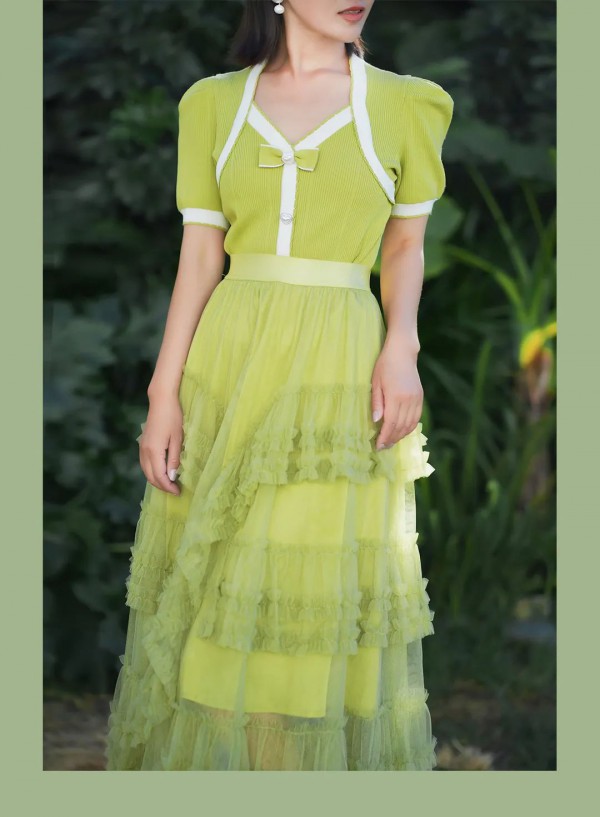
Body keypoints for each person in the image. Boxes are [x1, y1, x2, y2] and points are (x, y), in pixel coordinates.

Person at [105, 0, 453, 771]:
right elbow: (201, 255)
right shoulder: (211, 103)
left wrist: (402, 346)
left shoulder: (408, 104)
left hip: (337, 366)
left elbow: (405, 245)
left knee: (306, 578)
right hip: (229, 362)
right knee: (216, 581)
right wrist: (164, 393)